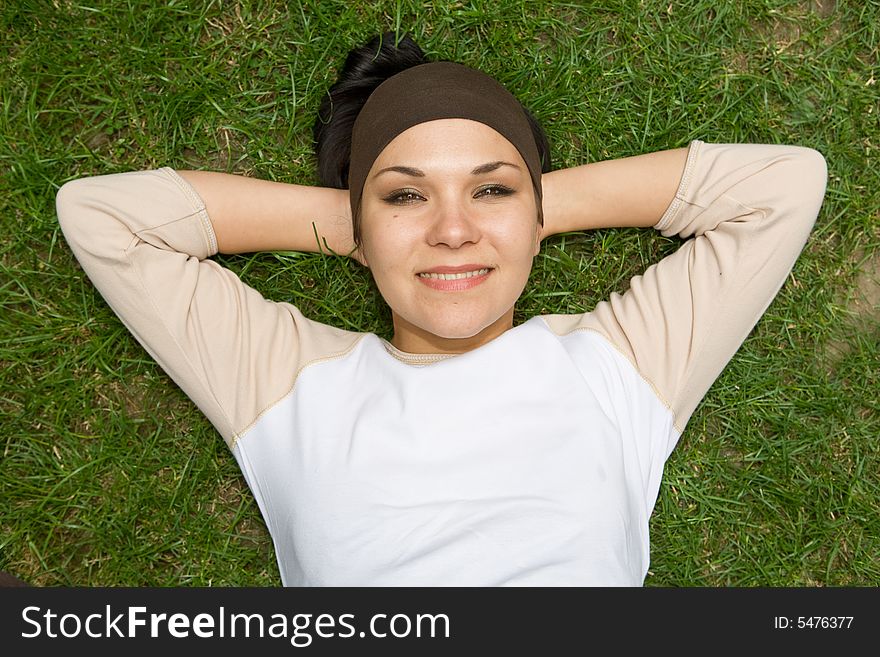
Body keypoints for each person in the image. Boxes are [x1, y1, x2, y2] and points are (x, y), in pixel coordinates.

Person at [55, 33, 827, 586]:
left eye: (491, 188)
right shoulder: (287, 385)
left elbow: (783, 187)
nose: (453, 229)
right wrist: (366, 224)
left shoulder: (618, 367)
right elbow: (103, 217)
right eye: (405, 195)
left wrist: (520, 212)